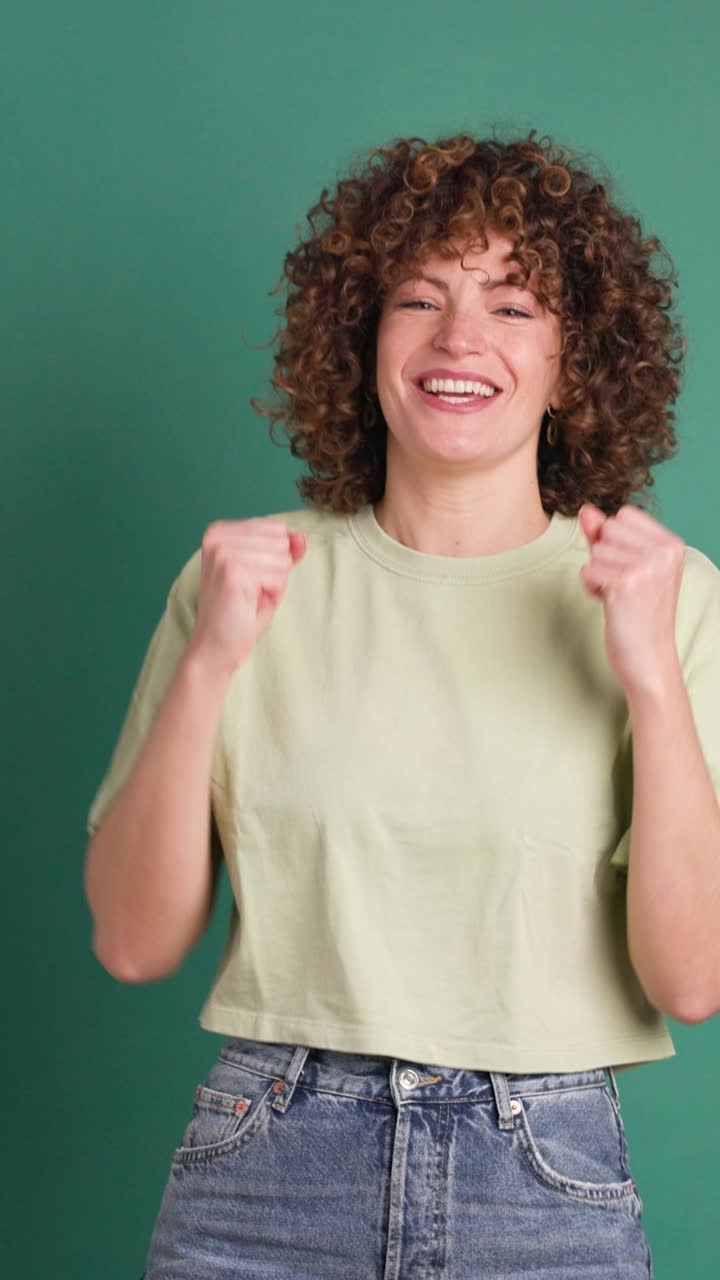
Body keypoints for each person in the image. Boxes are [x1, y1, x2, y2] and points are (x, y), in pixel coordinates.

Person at [83, 129, 720, 1278]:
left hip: (544, 1181)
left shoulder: (668, 596)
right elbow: (132, 941)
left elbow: (693, 977)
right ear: (361, 338)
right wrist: (210, 662)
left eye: (512, 305)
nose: (459, 338)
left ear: (576, 359)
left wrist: (651, 683)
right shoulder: (242, 579)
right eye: (419, 298)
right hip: (264, 1169)